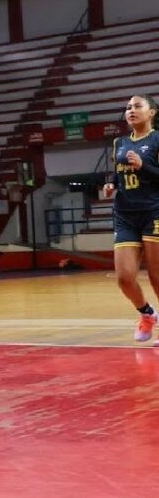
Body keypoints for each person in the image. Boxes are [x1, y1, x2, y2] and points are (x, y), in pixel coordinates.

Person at [102, 94, 159, 345]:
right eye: (127, 107)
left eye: (137, 106)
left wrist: (143, 167)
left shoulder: (157, 139)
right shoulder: (119, 143)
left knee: (157, 276)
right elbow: (118, 172)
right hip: (125, 215)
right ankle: (147, 314)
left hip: (153, 212)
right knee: (124, 278)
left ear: (152, 112)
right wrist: (111, 185)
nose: (131, 110)